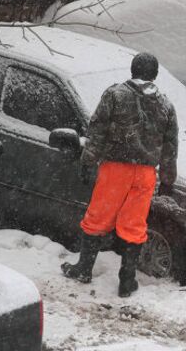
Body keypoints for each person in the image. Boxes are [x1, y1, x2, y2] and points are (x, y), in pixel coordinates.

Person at [61, 52, 179, 298]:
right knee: (134, 225)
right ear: (155, 75)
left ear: (132, 70)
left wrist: (88, 161)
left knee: (98, 217)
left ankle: (84, 268)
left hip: (116, 169)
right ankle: (127, 280)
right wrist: (167, 179)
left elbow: (98, 130)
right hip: (146, 173)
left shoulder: (115, 95)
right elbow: (170, 146)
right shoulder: (166, 105)